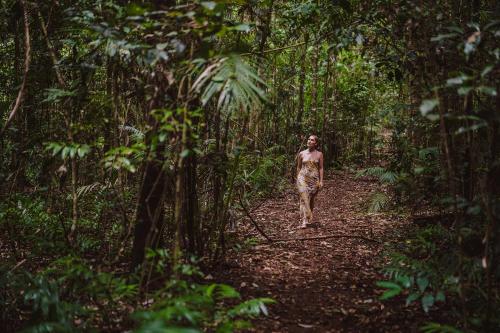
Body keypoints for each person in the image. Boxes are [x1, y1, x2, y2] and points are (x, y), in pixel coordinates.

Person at [296, 135, 324, 228]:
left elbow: (321, 168)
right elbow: (299, 167)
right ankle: (303, 220)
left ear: (315, 143)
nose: (309, 141)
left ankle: (308, 218)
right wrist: (297, 178)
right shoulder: (301, 153)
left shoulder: (319, 154)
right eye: (308, 139)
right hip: (302, 178)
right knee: (304, 199)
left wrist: (321, 181)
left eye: (311, 140)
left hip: (314, 180)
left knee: (311, 199)